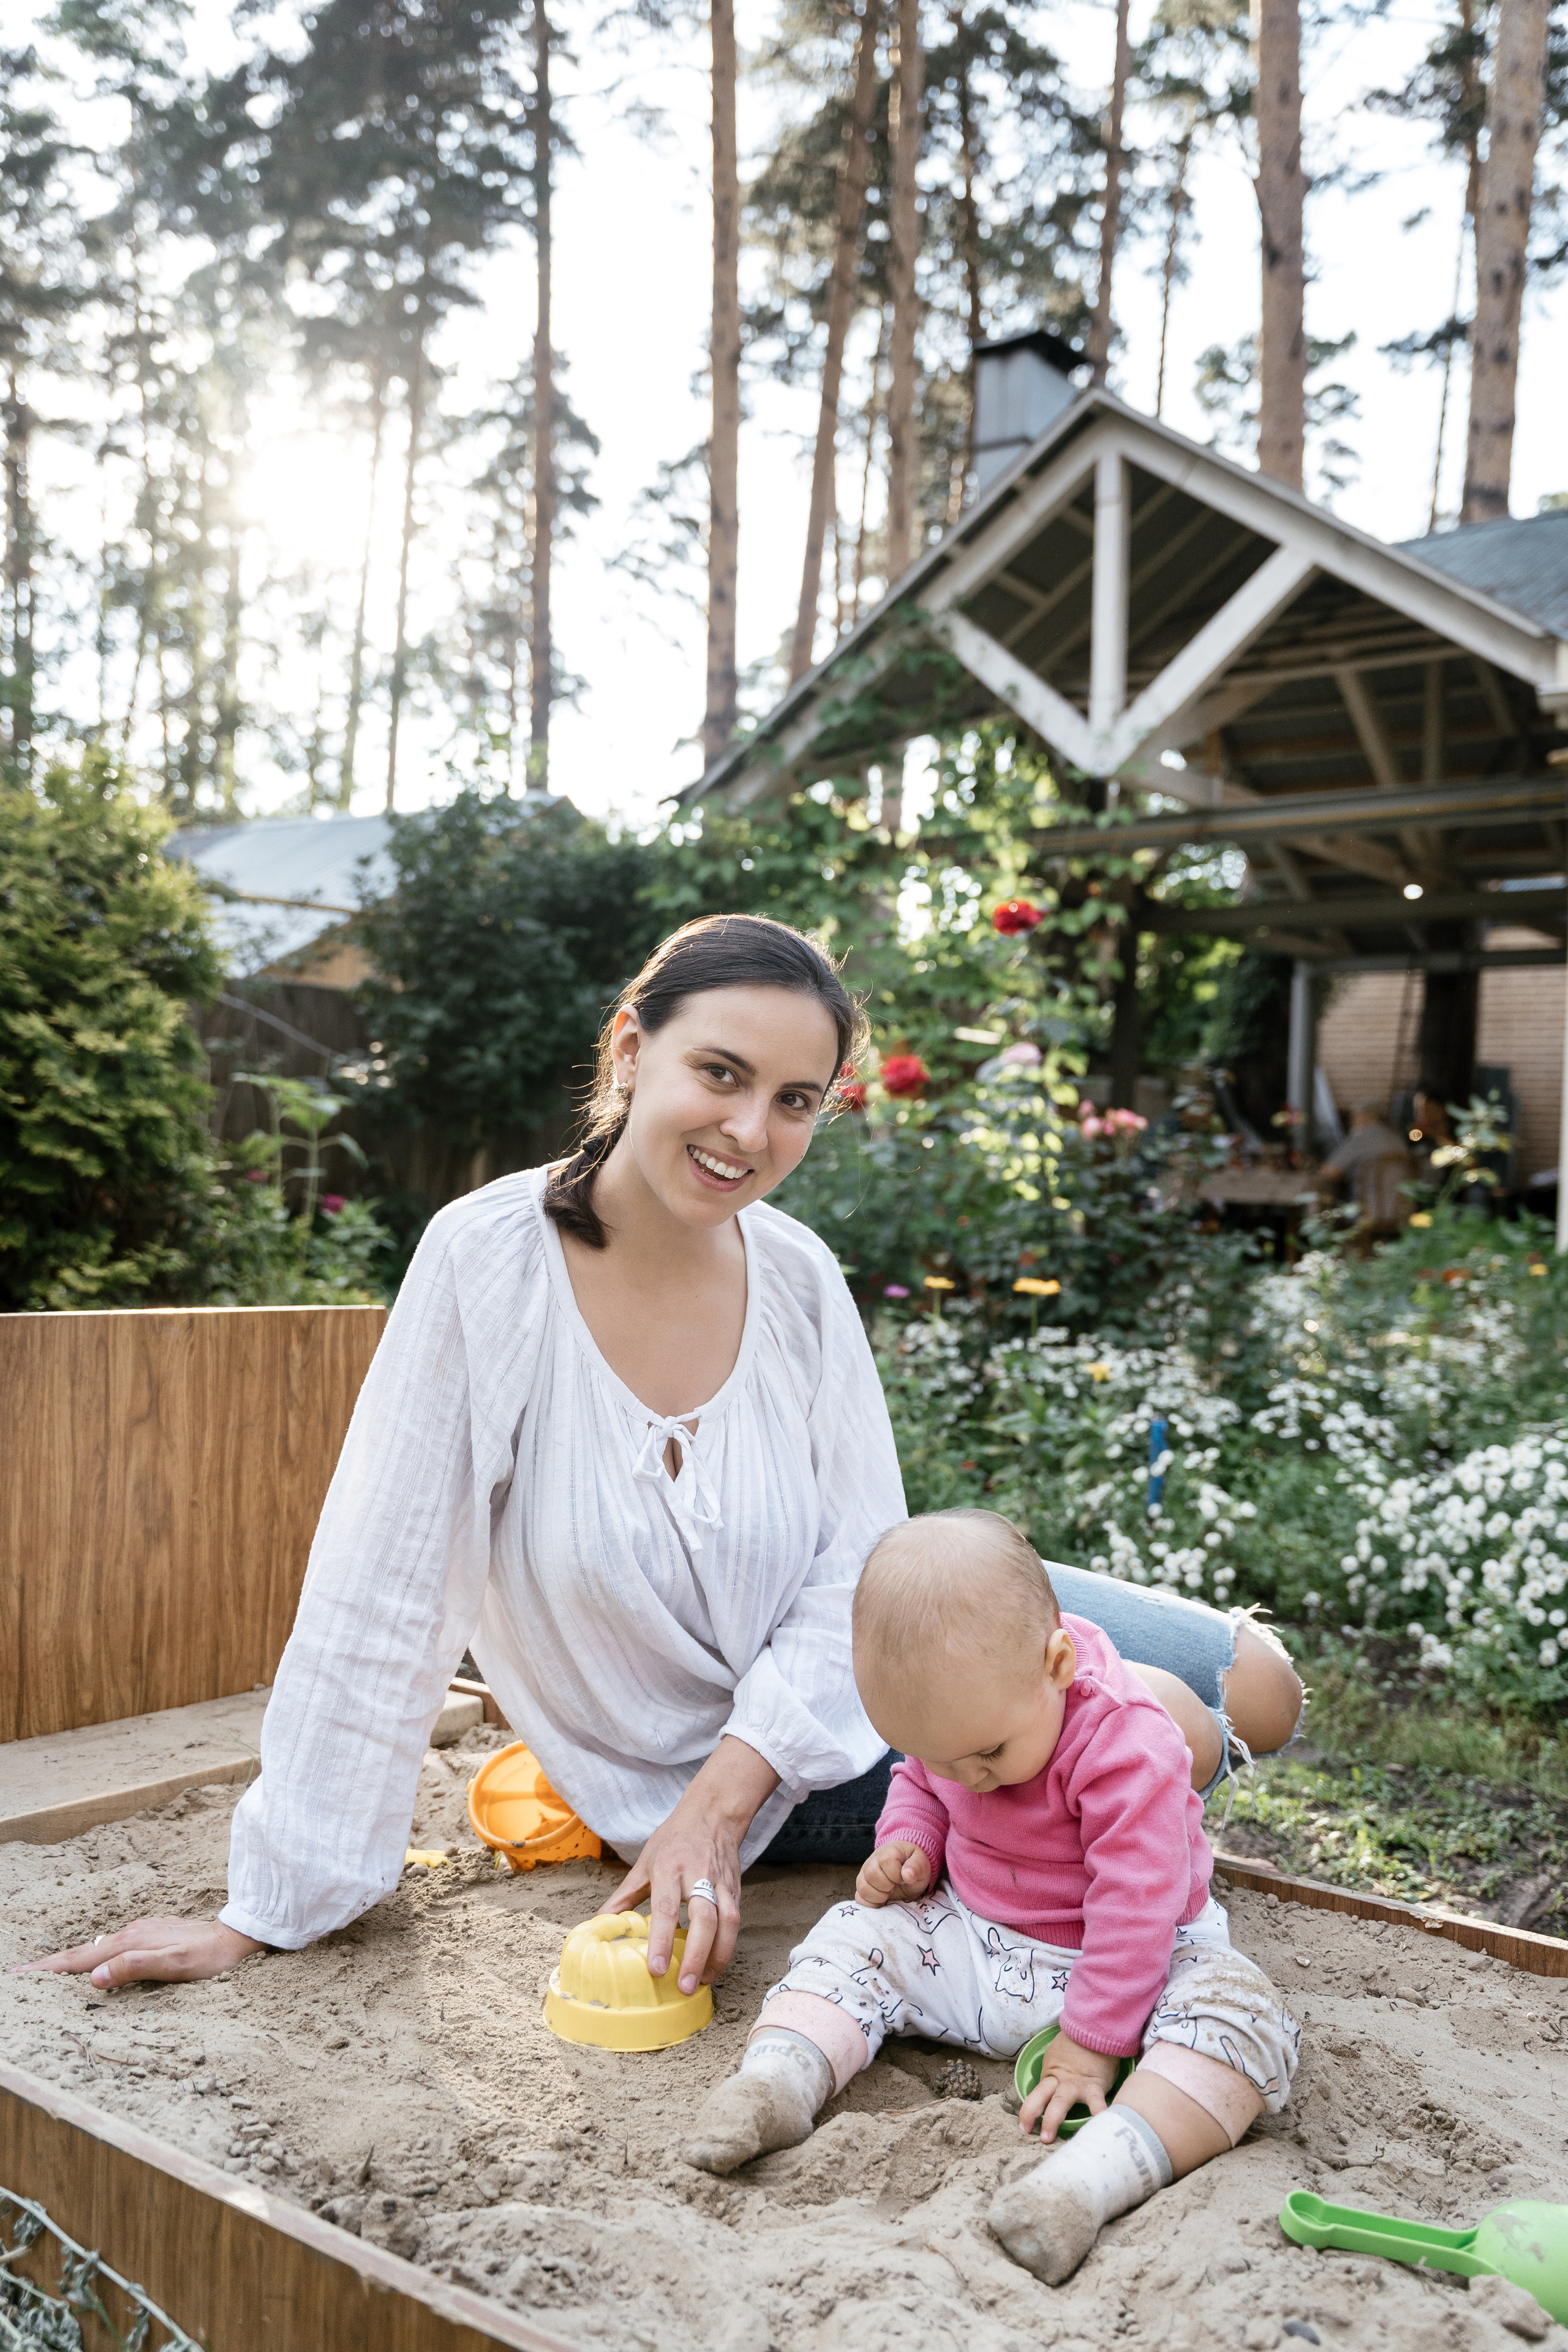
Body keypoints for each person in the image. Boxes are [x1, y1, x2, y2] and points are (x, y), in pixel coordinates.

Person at [24, 913, 1301, 2003]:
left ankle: (1038, 1814)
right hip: (753, 1765)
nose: (750, 1130)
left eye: (794, 1101)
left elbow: (858, 1564)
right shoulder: (487, 1262)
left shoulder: (797, 1276)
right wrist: (270, 1906)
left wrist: (726, 1798)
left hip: (853, 1679)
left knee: (1260, 1688)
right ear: (632, 1047)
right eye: (721, 1073)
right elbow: (385, 1590)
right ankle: (1033, 1839)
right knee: (1172, 1732)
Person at [684, 1510, 1298, 2288]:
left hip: (1135, 1970)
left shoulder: (1123, 1740)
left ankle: (1091, 2178)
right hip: (979, 1943)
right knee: (853, 1934)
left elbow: (1137, 1903)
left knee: (1239, 2020)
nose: (969, 1777)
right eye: (946, 1757)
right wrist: (910, 1840)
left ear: (1058, 1662)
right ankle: (779, 2078)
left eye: (988, 1755)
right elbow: (919, 1777)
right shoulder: (965, 1725)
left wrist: (1093, 2039)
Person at [1317, 1098, 1415, 1235]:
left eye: (1354, 1117)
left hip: (1369, 1211)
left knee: (1325, 1203)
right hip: (1405, 1212)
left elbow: (1329, 1173)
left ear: (1364, 1116)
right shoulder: (1397, 1139)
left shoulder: (1362, 1137)